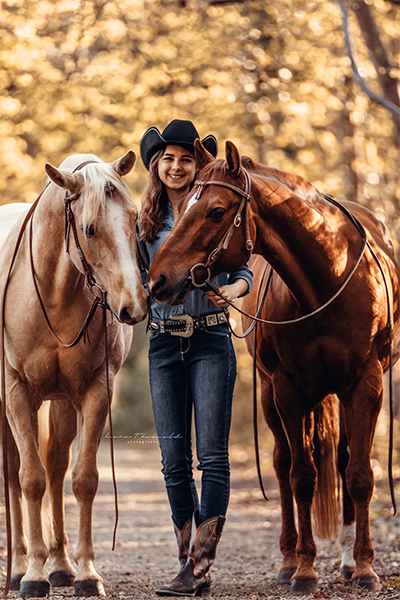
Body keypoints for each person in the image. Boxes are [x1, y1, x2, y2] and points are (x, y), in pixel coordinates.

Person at [139, 119, 253, 597]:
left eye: (186, 158)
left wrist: (235, 289)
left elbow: (243, 267)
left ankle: (198, 567)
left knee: (212, 457)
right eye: (168, 158)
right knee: (172, 461)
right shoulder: (141, 221)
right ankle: (187, 554)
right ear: (155, 166)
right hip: (163, 342)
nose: (177, 165)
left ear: (196, 165)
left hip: (209, 339)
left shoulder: (212, 208)